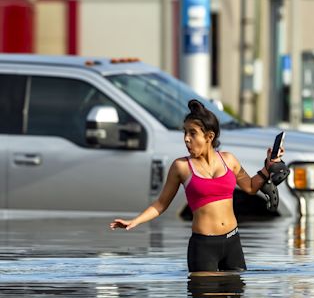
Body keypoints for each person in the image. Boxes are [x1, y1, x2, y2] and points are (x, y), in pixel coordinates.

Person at [110, 99, 284, 272]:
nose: (186, 139)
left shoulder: (229, 160)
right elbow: (161, 203)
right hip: (203, 247)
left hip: (233, 243)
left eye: (192, 133)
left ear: (209, 136)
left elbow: (251, 187)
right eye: (185, 133)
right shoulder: (181, 167)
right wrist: (135, 221)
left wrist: (268, 166)